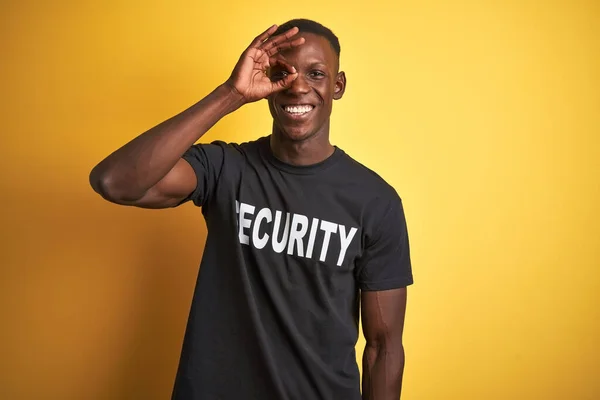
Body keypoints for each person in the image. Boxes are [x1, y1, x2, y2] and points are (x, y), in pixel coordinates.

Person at [89, 18, 413, 400]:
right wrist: (231, 93)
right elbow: (115, 182)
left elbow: (384, 347)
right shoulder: (225, 168)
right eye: (283, 72)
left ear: (337, 85)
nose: (298, 86)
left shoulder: (375, 202)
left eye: (316, 73)